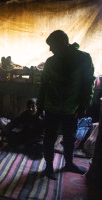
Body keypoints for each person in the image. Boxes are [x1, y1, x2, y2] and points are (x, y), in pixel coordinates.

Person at [37, 30, 95, 180]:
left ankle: (68, 163)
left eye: (52, 46)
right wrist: (40, 106)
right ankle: (49, 167)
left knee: (70, 138)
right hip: (51, 107)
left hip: (71, 107)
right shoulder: (51, 62)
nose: (50, 50)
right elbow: (44, 85)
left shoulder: (83, 58)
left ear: (63, 43)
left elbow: (88, 83)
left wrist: (83, 106)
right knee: (49, 138)